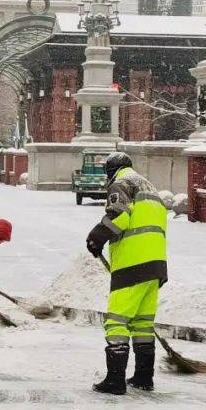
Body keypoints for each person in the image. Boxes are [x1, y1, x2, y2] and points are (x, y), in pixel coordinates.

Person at [85, 152, 167, 394]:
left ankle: (115, 380)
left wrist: (96, 237)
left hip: (132, 263)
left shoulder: (122, 184)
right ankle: (143, 376)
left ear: (111, 172)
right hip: (156, 263)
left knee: (116, 322)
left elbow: (119, 216)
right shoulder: (150, 188)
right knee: (142, 323)